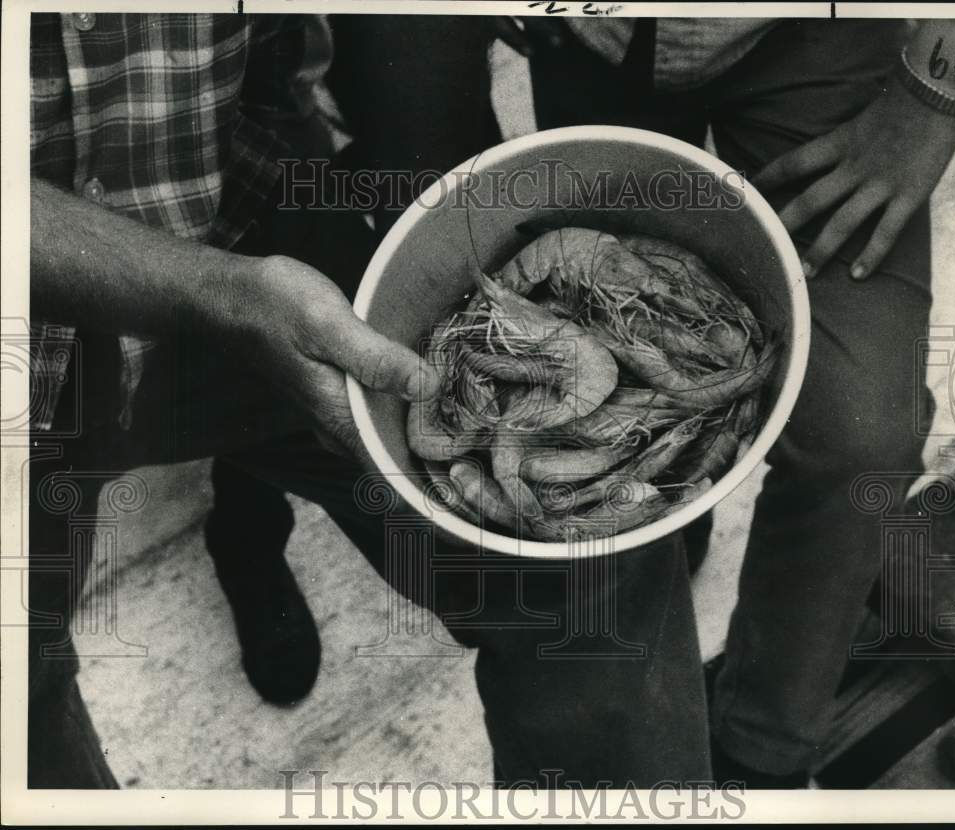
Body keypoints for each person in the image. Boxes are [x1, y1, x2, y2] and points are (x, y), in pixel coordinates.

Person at [28, 11, 710, 789]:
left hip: (241, 209)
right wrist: (218, 293)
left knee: (594, 571)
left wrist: (437, 162)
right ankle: (249, 539)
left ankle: (244, 521)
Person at [332, 13, 955, 786]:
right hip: (601, 37)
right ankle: (668, 520)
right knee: (614, 547)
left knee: (866, 437)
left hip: (821, 29)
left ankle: (763, 751)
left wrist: (935, 90)